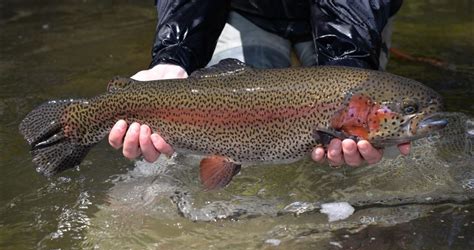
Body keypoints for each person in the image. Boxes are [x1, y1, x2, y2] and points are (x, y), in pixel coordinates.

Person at [108, 0, 411, 167]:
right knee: (206, 141)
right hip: (247, 12)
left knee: (368, 161)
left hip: (354, 16)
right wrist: (173, 56)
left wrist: (350, 65)